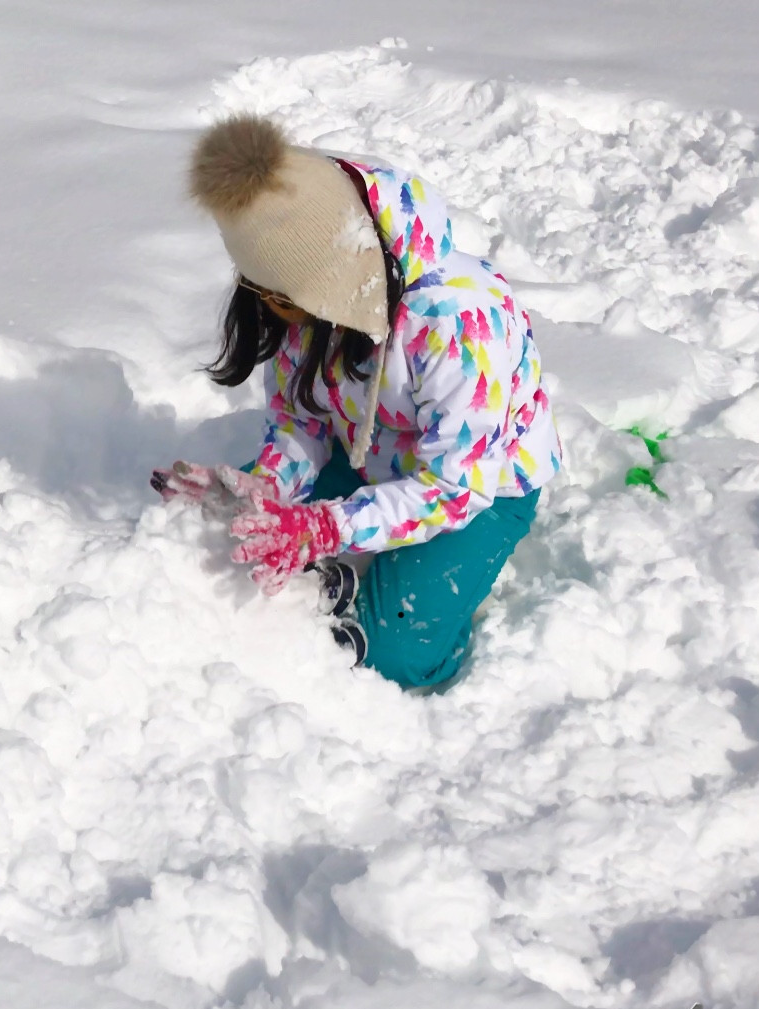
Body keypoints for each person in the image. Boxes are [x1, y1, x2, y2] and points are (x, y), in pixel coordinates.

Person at [154, 115, 563, 689]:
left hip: (477, 485)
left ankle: (414, 610)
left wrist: (324, 528)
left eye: (280, 296)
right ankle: (334, 568)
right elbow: (302, 421)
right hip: (366, 451)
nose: (272, 310)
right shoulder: (301, 292)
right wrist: (270, 483)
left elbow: (454, 489)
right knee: (240, 530)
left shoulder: (462, 328)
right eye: (260, 292)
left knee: (393, 655)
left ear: (331, 279)